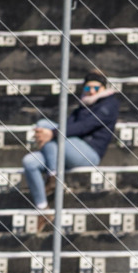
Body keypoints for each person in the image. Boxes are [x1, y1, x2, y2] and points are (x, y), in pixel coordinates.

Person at [22, 71, 119, 220]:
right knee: (29, 162)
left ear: (104, 89)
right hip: (69, 150)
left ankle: (53, 175)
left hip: (89, 154)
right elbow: (67, 127)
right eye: (87, 88)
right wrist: (53, 134)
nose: (91, 91)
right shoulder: (81, 107)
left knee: (44, 125)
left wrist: (53, 134)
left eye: (96, 88)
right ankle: (43, 210)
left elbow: (86, 126)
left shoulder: (109, 104)